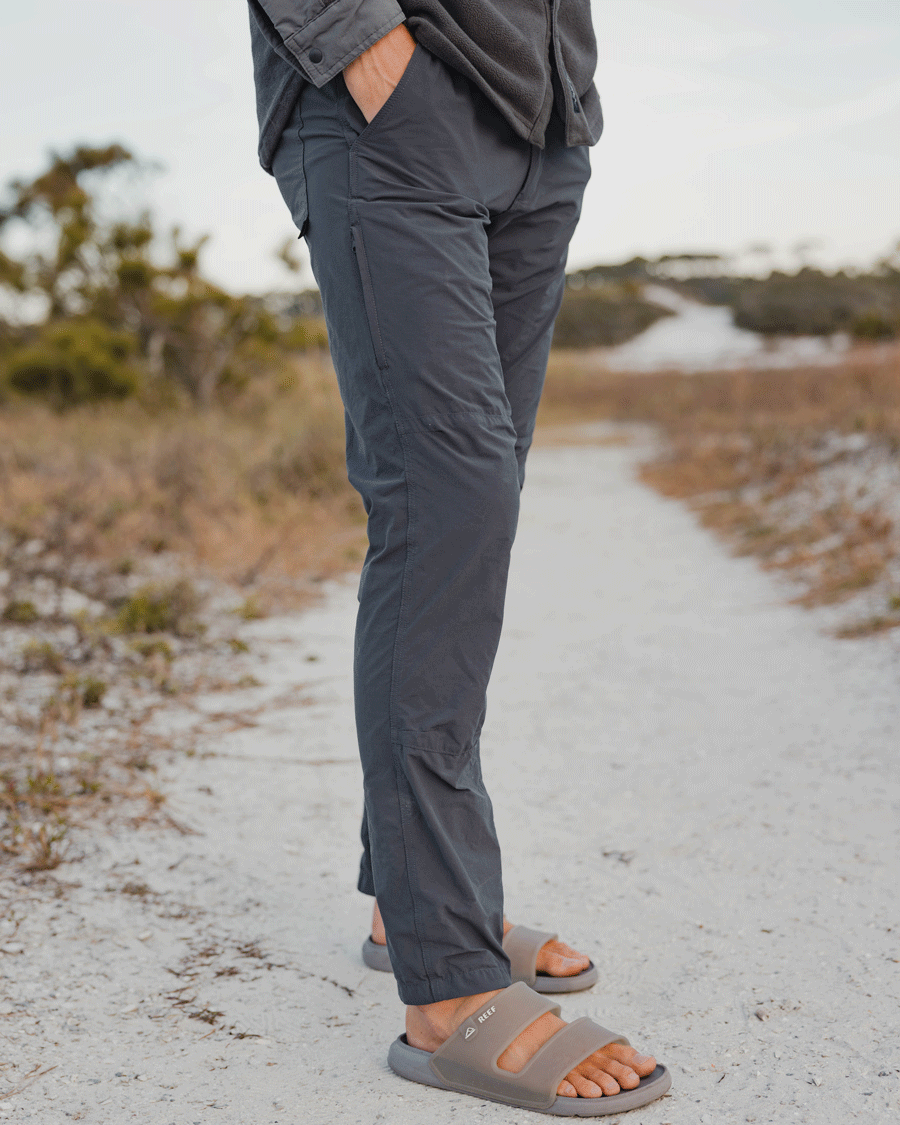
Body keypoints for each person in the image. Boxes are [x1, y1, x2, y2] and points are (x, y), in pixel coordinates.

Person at [246, 1, 670, 1113]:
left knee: (468, 517)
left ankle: (408, 897)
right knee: (448, 500)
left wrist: (562, 99)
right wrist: (363, 44)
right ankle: (445, 990)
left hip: (539, 117)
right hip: (390, 97)